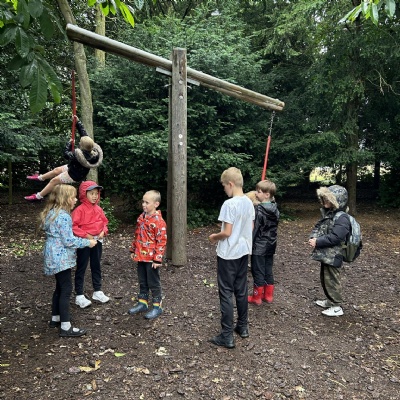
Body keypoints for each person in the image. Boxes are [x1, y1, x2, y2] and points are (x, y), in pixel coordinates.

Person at [39, 184, 97, 337]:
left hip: (52, 254)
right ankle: (66, 327)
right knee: (66, 289)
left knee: (59, 287)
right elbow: (69, 240)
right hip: (61, 257)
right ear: (65, 199)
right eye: (73, 197)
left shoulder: (51, 213)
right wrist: (87, 242)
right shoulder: (63, 216)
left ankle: (55, 318)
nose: (76, 200)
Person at [208, 167, 255, 349]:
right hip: (243, 252)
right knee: (241, 289)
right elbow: (250, 227)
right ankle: (242, 327)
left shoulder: (229, 204)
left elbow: (227, 232)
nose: (224, 189)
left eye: (224, 186)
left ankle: (227, 335)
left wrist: (214, 236)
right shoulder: (249, 202)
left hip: (228, 254)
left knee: (226, 292)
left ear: (230, 184)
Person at [25, 116, 103, 201]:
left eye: (80, 142)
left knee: (54, 181)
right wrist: (77, 122)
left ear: (81, 146)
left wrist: (69, 144)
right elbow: (84, 135)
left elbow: (66, 154)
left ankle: (38, 196)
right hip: (74, 168)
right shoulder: (92, 150)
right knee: (56, 170)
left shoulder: (78, 155)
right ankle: (40, 178)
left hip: (74, 175)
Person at [308, 185, 351, 317]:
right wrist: (314, 236)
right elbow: (319, 226)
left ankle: (336, 306)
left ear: (336, 201)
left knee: (332, 280)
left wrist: (318, 242)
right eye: (324, 198)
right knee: (325, 278)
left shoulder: (342, 218)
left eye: (328, 199)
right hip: (327, 254)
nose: (325, 201)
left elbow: (336, 237)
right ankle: (330, 301)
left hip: (334, 255)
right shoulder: (330, 213)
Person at [128, 190, 167, 320]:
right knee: (142, 280)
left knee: (153, 282)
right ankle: (142, 303)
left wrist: (157, 259)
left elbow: (161, 241)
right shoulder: (141, 217)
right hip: (140, 256)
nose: (144, 204)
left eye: (147, 202)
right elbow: (137, 235)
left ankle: (157, 306)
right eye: (143, 202)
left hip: (151, 259)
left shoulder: (159, 221)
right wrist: (133, 250)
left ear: (156, 204)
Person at [72, 181, 110, 308]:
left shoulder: (98, 209)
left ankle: (97, 291)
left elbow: (104, 222)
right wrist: (86, 235)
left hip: (97, 241)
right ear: (84, 194)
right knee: (82, 266)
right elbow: (73, 226)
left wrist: (103, 231)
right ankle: (79, 295)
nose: (94, 196)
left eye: (96, 193)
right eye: (91, 193)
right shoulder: (79, 210)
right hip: (84, 242)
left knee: (96, 265)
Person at [248, 179, 280, 305]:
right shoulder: (275, 209)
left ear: (267, 194)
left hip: (259, 246)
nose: (256, 193)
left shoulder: (258, 210)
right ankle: (268, 296)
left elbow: (255, 229)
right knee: (268, 269)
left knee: (258, 270)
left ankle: (256, 297)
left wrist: (249, 243)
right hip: (271, 245)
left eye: (259, 191)